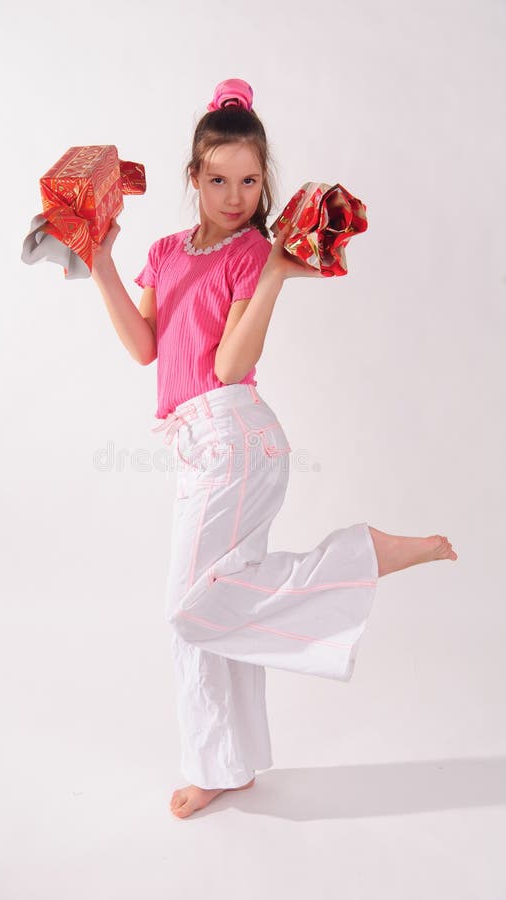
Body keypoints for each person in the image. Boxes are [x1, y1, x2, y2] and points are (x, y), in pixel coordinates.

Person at [90, 77, 458, 820]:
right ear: (192, 177)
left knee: (189, 609)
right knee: (215, 604)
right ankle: (230, 764)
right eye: (219, 179)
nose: (235, 195)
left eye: (250, 181)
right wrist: (98, 256)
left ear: (265, 182)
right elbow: (142, 348)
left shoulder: (255, 253)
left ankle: (361, 555)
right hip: (202, 443)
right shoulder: (163, 252)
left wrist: (279, 275)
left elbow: (227, 367)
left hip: (235, 435)